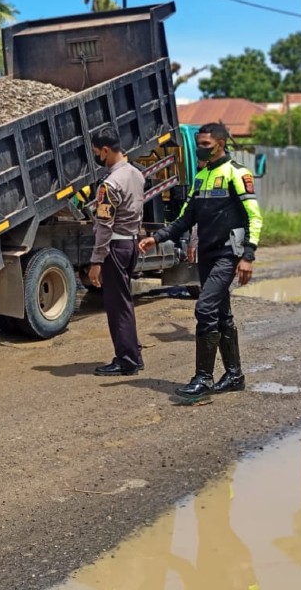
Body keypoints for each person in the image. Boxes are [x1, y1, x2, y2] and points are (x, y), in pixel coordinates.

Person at [139, 122, 263, 399]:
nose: (200, 149)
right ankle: (234, 375)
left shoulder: (237, 173)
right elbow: (185, 218)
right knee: (221, 313)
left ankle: (203, 379)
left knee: (204, 308)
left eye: (205, 145)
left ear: (220, 143)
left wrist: (248, 255)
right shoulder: (201, 176)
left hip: (227, 254)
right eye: (198, 144)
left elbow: (254, 216)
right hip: (207, 255)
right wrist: (157, 238)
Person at [86, 125, 146, 376]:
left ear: (107, 150)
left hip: (115, 248)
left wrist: (96, 261)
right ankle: (132, 354)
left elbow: (104, 225)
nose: (98, 157)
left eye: (98, 153)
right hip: (130, 243)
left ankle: (127, 360)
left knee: (118, 306)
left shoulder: (109, 185)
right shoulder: (137, 174)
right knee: (124, 303)